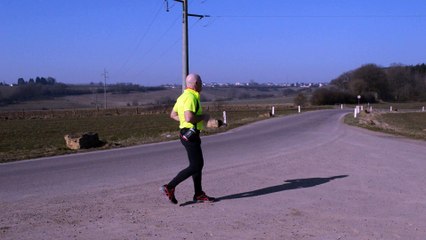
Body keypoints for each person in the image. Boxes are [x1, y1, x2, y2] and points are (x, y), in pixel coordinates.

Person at [160, 73, 215, 204]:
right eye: (201, 81)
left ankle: (198, 193)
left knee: (196, 165)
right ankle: (170, 186)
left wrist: (185, 121)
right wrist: (203, 116)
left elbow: (173, 115)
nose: (202, 83)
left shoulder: (182, 97)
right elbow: (189, 117)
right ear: (196, 84)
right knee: (196, 165)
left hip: (186, 134)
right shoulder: (191, 97)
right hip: (190, 135)